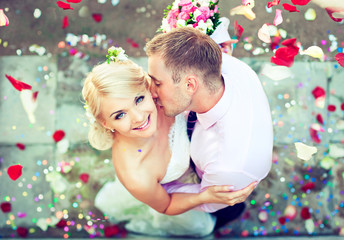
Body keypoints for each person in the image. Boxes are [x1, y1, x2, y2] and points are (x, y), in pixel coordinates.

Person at [81, 47, 256, 236]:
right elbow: (167, 205)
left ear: (147, 88)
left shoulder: (162, 95)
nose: (139, 117)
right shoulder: (136, 174)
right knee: (215, 220)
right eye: (120, 114)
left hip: (204, 160)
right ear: (106, 123)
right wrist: (204, 196)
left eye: (139, 99)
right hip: (178, 193)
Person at [145, 26, 273, 228]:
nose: (150, 92)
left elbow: (200, 201)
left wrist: (144, 186)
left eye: (157, 83)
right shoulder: (227, 65)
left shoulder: (228, 168)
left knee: (226, 213)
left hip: (221, 194)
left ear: (190, 85)